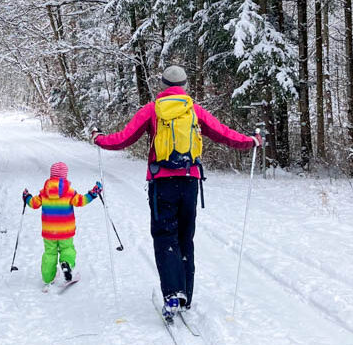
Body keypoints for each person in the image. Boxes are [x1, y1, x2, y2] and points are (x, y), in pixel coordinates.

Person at [91, 65, 261, 318]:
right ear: (184, 85)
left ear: (162, 85)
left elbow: (123, 138)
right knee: (185, 238)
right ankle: (186, 297)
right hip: (190, 182)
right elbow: (223, 133)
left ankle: (172, 295)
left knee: (164, 237)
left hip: (161, 184)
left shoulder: (152, 110)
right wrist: (250, 141)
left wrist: (99, 138)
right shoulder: (194, 110)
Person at [22, 161, 103, 291]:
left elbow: (34, 204)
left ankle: (48, 278)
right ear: (65, 176)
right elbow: (81, 201)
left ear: (51, 175)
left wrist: (27, 197)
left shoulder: (44, 192)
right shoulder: (69, 192)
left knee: (50, 253)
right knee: (67, 249)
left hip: (49, 232)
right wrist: (93, 193)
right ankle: (67, 265)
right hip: (66, 231)